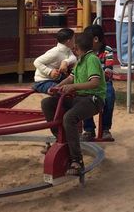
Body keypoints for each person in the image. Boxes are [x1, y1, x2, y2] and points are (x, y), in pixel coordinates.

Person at [40, 32, 105, 176]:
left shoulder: (92, 59)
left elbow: (94, 83)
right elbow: (71, 78)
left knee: (69, 117)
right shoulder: (80, 61)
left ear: (76, 48)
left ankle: (77, 160)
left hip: (93, 99)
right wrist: (57, 87)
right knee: (48, 103)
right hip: (80, 97)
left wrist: (73, 87)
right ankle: (62, 140)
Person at [81, 24, 116, 141]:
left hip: (104, 82)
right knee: (82, 97)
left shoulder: (107, 50)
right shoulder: (86, 52)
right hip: (88, 83)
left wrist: (97, 78)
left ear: (96, 39)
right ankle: (89, 129)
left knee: (110, 96)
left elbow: (109, 70)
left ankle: (106, 129)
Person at [32, 28, 76, 94]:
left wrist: (66, 62)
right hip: (43, 81)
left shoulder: (67, 50)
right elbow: (37, 61)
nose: (75, 41)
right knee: (58, 90)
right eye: (74, 39)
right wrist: (49, 72)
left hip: (56, 79)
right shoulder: (55, 52)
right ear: (68, 41)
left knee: (73, 85)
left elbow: (74, 58)